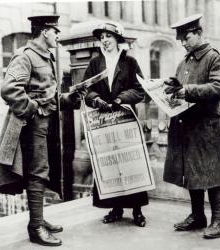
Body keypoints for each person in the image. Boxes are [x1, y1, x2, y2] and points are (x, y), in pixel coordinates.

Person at [0, 15, 86, 246]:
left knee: (42, 170)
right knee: (37, 172)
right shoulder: (25, 56)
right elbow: (9, 89)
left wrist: (69, 98)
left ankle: (39, 219)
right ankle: (35, 227)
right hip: (32, 125)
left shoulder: (45, 56)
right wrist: (32, 109)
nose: (57, 35)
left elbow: (47, 96)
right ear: (45, 31)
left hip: (47, 125)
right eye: (55, 31)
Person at [163, 13, 220, 239]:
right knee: (192, 171)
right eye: (181, 39)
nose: (183, 43)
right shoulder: (184, 61)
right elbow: (181, 89)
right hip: (188, 125)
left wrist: (186, 91)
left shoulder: (214, 58)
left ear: (198, 33)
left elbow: (219, 88)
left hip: (207, 127)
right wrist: (171, 91)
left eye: (186, 38)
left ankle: (219, 220)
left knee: (213, 174)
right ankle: (198, 216)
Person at [83, 21, 147, 227]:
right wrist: (95, 99)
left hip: (126, 118)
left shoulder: (130, 62)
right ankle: (116, 208)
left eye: (108, 37)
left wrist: (121, 99)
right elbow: (86, 89)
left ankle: (137, 211)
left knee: (131, 162)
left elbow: (140, 89)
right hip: (104, 120)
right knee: (109, 163)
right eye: (101, 37)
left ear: (117, 39)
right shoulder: (95, 63)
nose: (104, 40)